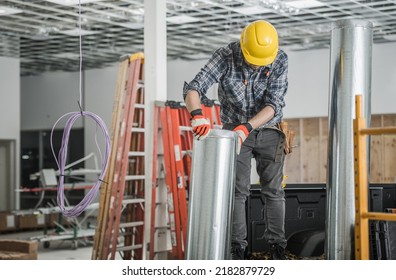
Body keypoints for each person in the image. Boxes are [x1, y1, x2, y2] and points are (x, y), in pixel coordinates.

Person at [183, 20, 289, 260]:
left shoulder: (279, 59)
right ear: (243, 47)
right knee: (237, 191)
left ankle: (277, 248)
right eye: (252, 60)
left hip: (270, 129)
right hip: (234, 131)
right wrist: (197, 115)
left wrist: (247, 127)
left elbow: (274, 105)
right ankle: (237, 249)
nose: (256, 65)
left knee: (273, 191)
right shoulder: (226, 55)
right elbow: (194, 88)